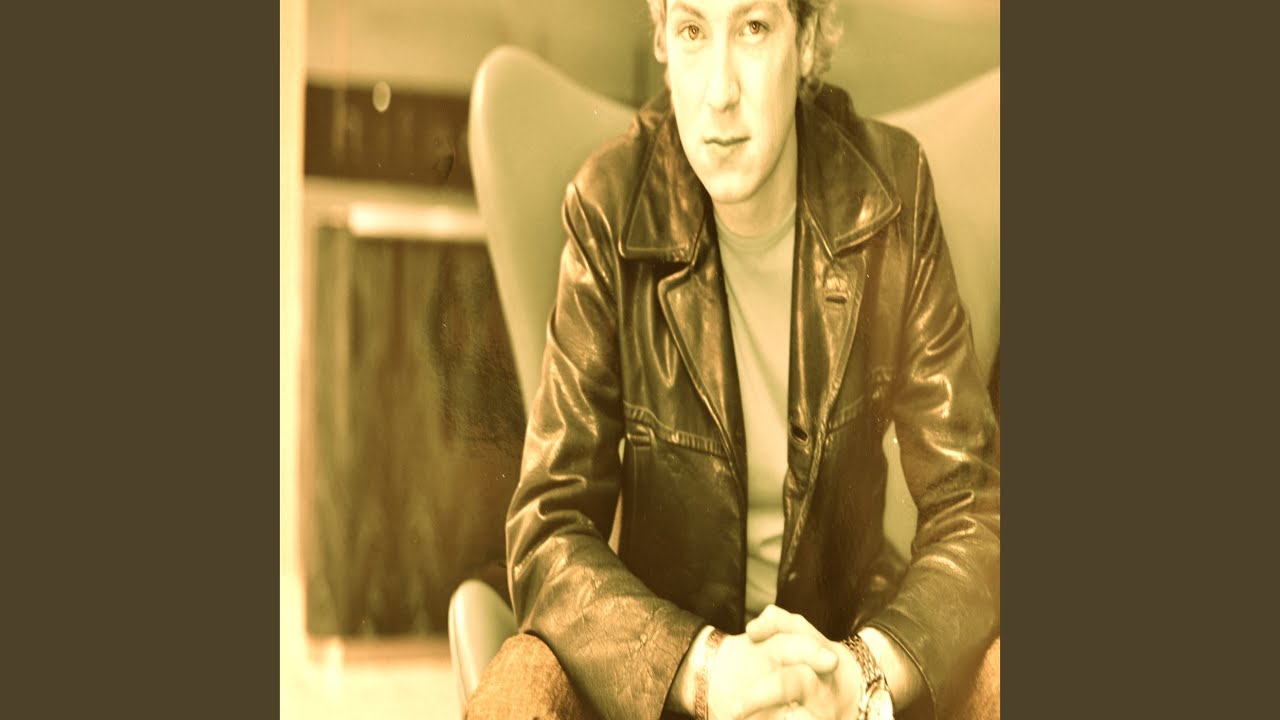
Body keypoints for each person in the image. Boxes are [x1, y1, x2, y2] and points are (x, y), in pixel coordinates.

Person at [474, 1, 1000, 718]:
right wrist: (704, 670)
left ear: (805, 41)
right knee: (523, 680)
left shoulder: (892, 193)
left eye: (752, 28)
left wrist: (861, 675)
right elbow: (548, 528)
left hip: (844, 663)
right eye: (693, 31)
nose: (719, 91)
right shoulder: (607, 206)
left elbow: (973, 511)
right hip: (670, 675)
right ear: (663, 43)